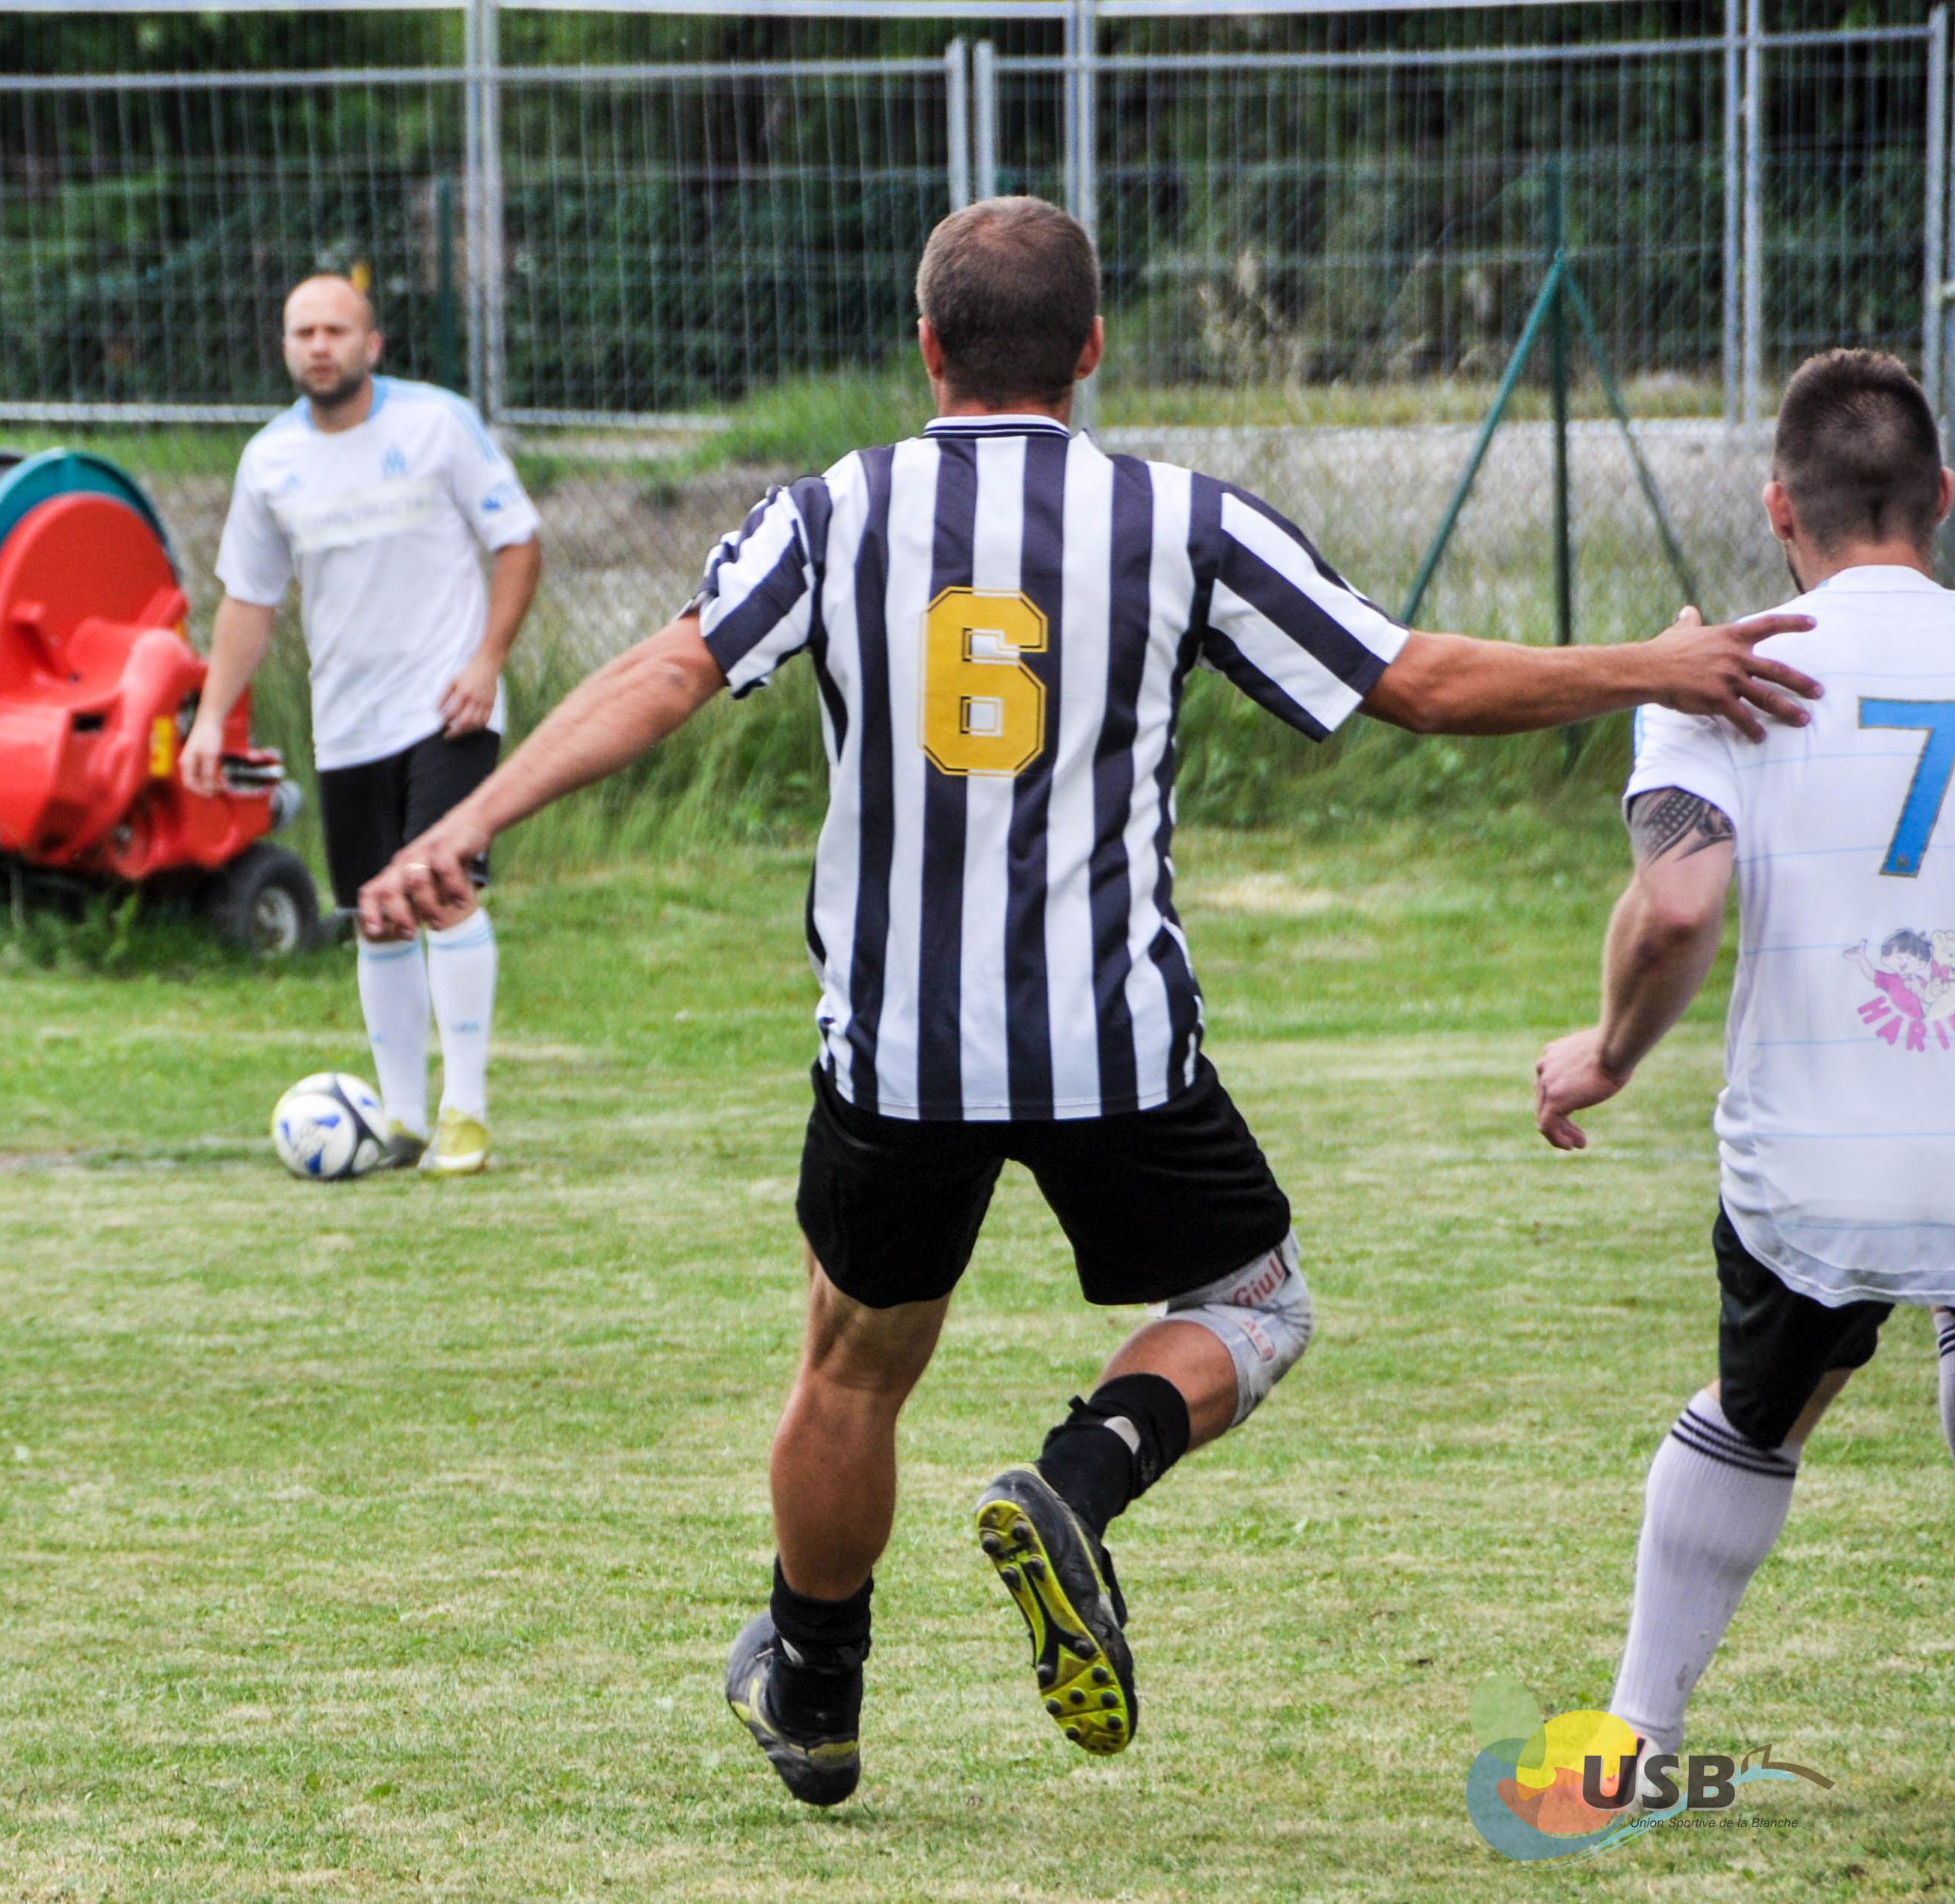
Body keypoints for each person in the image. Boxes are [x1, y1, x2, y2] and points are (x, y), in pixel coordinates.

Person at [357, 197, 1819, 1805]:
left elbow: (667, 673)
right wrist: (1646, 666)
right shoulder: (1181, 519)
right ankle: (1080, 1476)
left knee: (852, 1365)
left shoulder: (837, 510)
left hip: (898, 1051)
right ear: (1093, 349)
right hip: (1112, 1043)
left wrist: (468, 820)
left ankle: (816, 1689)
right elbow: (1411, 680)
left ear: (928, 347)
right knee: (1256, 1306)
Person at [1535, 348, 1955, 1775]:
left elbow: (1677, 907)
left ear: (1781, 509)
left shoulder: (1715, 672)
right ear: (1943, 496)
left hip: (1818, 1152)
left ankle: (1638, 1737)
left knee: (1761, 1414)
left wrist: (1607, 1053)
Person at [182, 274, 543, 1174]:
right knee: (376, 915)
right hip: (347, 721)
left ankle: (466, 1113)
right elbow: (249, 600)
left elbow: (517, 541)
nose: (319, 346)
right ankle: (402, 1120)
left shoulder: (437, 424)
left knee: (440, 888)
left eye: (336, 330)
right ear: (284, 347)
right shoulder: (269, 460)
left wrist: (487, 659)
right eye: (302, 331)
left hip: (448, 706)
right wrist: (210, 719)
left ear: (371, 345)